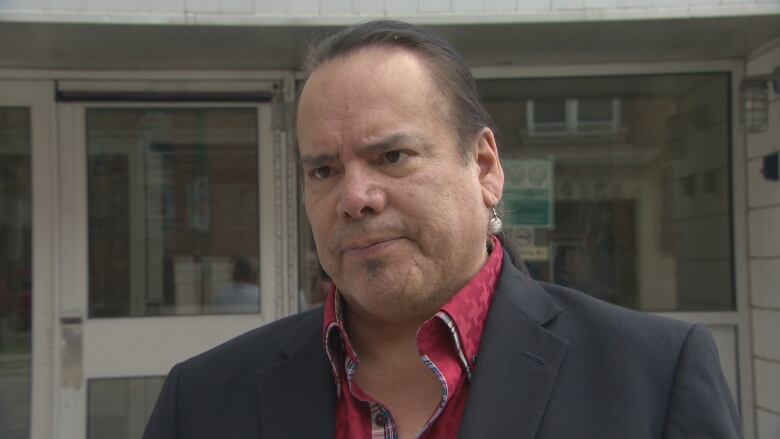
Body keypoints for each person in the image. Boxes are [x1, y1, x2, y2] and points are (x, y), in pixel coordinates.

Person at [143, 21, 742, 438]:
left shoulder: (653, 377)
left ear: (484, 167)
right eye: (324, 169)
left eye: (392, 156)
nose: (354, 197)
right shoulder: (202, 399)